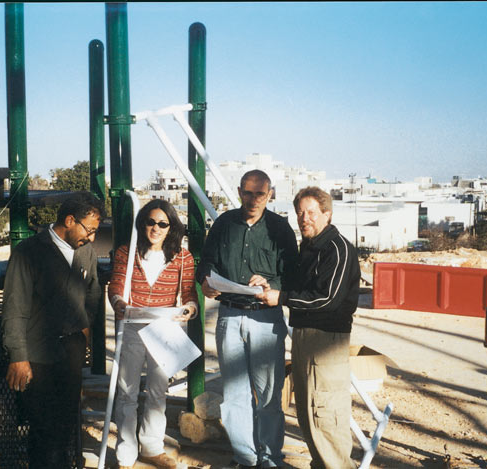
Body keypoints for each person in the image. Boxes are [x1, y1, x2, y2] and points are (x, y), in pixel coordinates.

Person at [196, 170, 298, 468]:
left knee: (268, 394)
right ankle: (245, 458)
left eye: (260, 194)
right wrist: (204, 281)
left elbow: (291, 274)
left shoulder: (280, 229)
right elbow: (206, 261)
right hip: (229, 315)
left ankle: (269, 459)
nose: (253, 200)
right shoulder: (224, 224)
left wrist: (270, 283)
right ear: (239, 191)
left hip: (266, 319)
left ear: (270, 194)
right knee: (235, 394)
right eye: (248, 193)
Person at [255, 186, 360, 469]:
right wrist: (272, 286)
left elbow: (328, 299)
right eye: (300, 213)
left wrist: (283, 298)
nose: (305, 219)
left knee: (325, 414)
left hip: (326, 342)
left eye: (311, 212)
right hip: (303, 337)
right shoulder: (310, 248)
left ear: (327, 213)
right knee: (307, 413)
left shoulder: (337, 250)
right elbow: (297, 286)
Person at [2, 191, 104, 469]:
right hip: (36, 356)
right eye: (89, 230)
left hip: (70, 354)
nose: (92, 238)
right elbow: (14, 308)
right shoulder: (28, 252)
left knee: (65, 427)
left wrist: (84, 327)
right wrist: (18, 357)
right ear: (70, 220)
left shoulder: (86, 253)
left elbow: (93, 294)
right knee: (43, 430)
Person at [109, 199, 198, 469]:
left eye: (162, 223)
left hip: (165, 329)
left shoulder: (183, 257)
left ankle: (152, 447)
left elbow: (189, 294)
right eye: (151, 222)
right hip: (133, 327)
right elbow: (115, 287)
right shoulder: (127, 252)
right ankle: (126, 455)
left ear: (171, 227)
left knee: (158, 391)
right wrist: (118, 303)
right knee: (127, 391)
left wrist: (189, 309)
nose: (156, 228)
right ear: (142, 223)